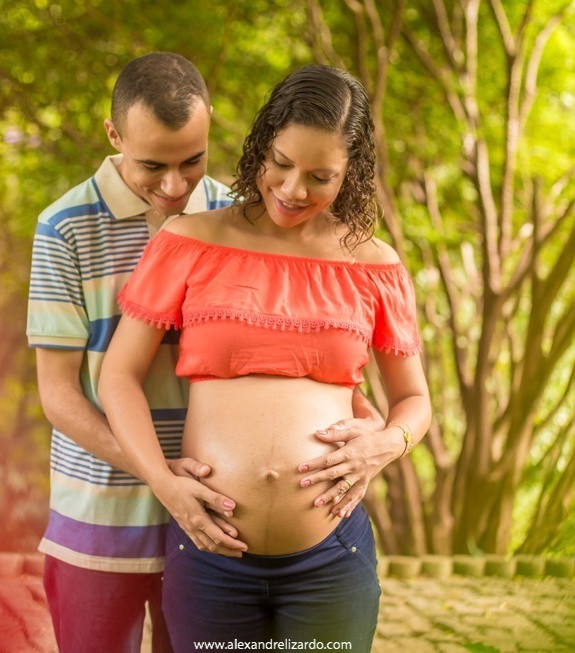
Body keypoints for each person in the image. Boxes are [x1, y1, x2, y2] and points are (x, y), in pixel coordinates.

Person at [98, 64, 431, 651]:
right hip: (210, 553)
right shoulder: (189, 241)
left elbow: (414, 401)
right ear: (260, 144)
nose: (294, 189)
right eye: (280, 161)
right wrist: (164, 484)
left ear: (352, 173)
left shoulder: (375, 266)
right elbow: (118, 377)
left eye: (320, 175)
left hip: (332, 557)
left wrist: (385, 444)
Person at [26, 52, 239, 653]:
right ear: (114, 134)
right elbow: (59, 394)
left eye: (192, 161)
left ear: (209, 126)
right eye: (153, 166)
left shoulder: (241, 217)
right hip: (98, 522)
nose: (175, 187)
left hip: (214, 519)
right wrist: (159, 477)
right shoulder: (64, 226)